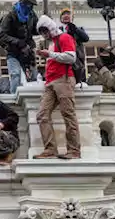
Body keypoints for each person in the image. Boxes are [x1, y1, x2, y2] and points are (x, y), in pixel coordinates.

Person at [34, 15, 80, 159]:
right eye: (42, 32)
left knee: (68, 113)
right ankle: (50, 149)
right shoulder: (53, 42)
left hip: (63, 79)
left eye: (44, 31)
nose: (44, 35)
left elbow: (71, 57)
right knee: (42, 114)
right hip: (51, 81)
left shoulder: (64, 38)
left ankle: (74, 150)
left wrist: (50, 54)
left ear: (50, 27)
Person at [0, 0, 39, 93]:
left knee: (34, 75)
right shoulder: (9, 16)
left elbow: (35, 29)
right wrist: (18, 42)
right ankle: (13, 97)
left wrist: (44, 27)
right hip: (13, 51)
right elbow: (2, 36)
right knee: (15, 74)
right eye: (29, 5)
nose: (31, 8)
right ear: (23, 4)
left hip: (27, 51)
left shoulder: (32, 15)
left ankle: (34, 96)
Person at [59, 8, 90, 83]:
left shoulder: (78, 29)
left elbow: (86, 38)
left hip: (76, 62)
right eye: (63, 14)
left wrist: (75, 28)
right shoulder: (58, 31)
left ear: (72, 17)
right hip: (63, 61)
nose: (66, 15)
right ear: (60, 18)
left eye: (68, 14)